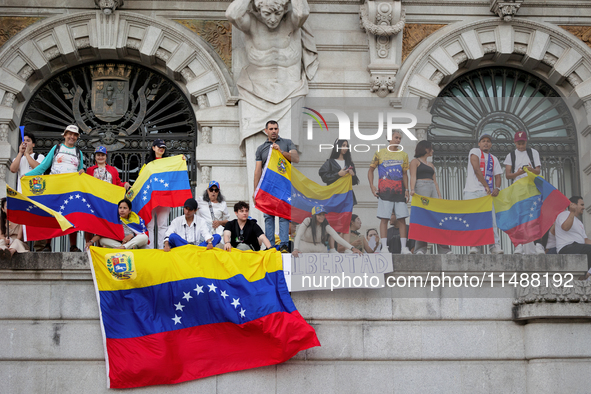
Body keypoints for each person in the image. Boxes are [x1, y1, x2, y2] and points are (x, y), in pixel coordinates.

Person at [26, 124, 85, 252]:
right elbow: (43, 167)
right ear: (64, 135)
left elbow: (81, 171)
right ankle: (47, 244)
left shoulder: (79, 152)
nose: (72, 136)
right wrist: (27, 176)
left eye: (75, 135)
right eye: (69, 133)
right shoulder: (56, 148)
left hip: (71, 189)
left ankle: (73, 246)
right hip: (54, 188)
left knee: (72, 216)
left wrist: (82, 172)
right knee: (51, 215)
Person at [253, 120, 299, 252]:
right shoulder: (261, 148)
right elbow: (258, 170)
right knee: (268, 216)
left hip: (284, 186)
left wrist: (282, 152)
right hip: (268, 188)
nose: (274, 131)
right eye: (271, 129)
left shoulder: (287, 142)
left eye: (276, 128)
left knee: (284, 215)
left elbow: (296, 158)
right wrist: (255, 190)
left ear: (278, 130)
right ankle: (270, 246)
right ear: (266, 130)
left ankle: (284, 244)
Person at [368, 130, 411, 254]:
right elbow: (370, 170)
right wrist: (372, 186)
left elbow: (405, 174)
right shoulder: (380, 153)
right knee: (384, 218)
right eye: (396, 137)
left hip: (399, 191)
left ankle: (404, 247)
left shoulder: (404, 155)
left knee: (402, 219)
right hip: (385, 191)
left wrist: (407, 189)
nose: (398, 140)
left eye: (400, 138)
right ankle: (385, 247)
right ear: (389, 138)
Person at [504, 131, 544, 254]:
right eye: (519, 143)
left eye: (523, 143)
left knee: (534, 214)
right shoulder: (511, 155)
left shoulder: (533, 153)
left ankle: (539, 244)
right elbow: (508, 175)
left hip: (532, 187)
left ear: (526, 142)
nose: (521, 146)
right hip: (518, 188)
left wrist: (531, 170)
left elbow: (538, 170)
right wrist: (518, 173)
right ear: (515, 143)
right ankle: (519, 244)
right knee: (519, 216)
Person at [463, 133, 504, 254]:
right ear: (479, 143)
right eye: (483, 141)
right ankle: (474, 245)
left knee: (490, 219)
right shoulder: (474, 151)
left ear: (491, 144)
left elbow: (498, 176)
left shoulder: (493, 158)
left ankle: (494, 245)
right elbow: (476, 169)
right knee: (473, 218)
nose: (486, 143)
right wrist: (486, 185)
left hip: (487, 194)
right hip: (472, 191)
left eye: (488, 141)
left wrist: (497, 187)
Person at [409, 140, 452, 255]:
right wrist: (412, 189)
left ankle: (444, 249)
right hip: (421, 186)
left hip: (432, 188)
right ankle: (420, 249)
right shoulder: (415, 162)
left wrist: (439, 195)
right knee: (423, 218)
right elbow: (413, 176)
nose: (432, 151)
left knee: (437, 218)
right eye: (430, 148)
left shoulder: (431, 165)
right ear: (425, 149)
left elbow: (435, 181)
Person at [85, 146, 131, 248]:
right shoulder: (89, 170)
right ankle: (88, 246)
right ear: (95, 156)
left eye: (102, 155)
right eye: (98, 155)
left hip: (108, 202)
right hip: (94, 201)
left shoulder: (113, 170)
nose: (100, 157)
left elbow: (118, 183)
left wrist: (125, 184)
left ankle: (101, 247)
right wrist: (80, 174)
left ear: (106, 156)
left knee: (104, 224)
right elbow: (85, 183)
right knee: (91, 223)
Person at [9, 131, 48, 251]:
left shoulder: (39, 156)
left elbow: (38, 168)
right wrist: (20, 154)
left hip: (36, 194)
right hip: (21, 194)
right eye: (23, 141)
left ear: (33, 144)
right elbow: (13, 169)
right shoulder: (19, 157)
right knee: (23, 220)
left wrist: (27, 155)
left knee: (35, 221)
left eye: (28, 141)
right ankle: (20, 243)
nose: (25, 142)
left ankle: (38, 246)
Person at [319, 139, 359, 251]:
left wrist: (352, 174)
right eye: (343, 145)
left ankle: (347, 248)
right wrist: (338, 174)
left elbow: (355, 182)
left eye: (347, 146)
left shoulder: (350, 163)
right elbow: (323, 175)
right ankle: (332, 248)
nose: (345, 148)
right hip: (334, 196)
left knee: (346, 222)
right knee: (332, 221)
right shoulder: (330, 162)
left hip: (347, 196)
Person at [292, 206, 362, 256]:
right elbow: (298, 235)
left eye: (323, 214)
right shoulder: (307, 221)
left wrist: (352, 248)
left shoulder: (325, 226)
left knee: (324, 250)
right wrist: (295, 249)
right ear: (314, 215)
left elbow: (337, 238)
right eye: (319, 214)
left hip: (319, 248)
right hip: (304, 246)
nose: (322, 216)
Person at [145, 139, 170, 249]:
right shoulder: (147, 164)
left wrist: (181, 160)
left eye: (163, 147)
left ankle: (161, 248)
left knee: (163, 225)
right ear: (153, 147)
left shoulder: (169, 163)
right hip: (151, 197)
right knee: (149, 225)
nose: (161, 149)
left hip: (164, 197)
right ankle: (149, 249)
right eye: (159, 147)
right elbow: (142, 179)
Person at [555, 196, 591, 271]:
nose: (584, 207)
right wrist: (572, 212)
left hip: (579, 247)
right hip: (566, 247)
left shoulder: (579, 222)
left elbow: (585, 240)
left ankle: (587, 273)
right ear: (573, 204)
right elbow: (565, 227)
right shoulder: (564, 214)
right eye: (581, 205)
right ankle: (585, 273)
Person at [197, 181, 230, 246]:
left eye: (216, 190)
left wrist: (219, 222)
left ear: (218, 192)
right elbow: (191, 207)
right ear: (207, 191)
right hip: (202, 232)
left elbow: (227, 221)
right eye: (211, 190)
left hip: (216, 233)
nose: (213, 192)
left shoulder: (222, 204)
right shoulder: (200, 200)